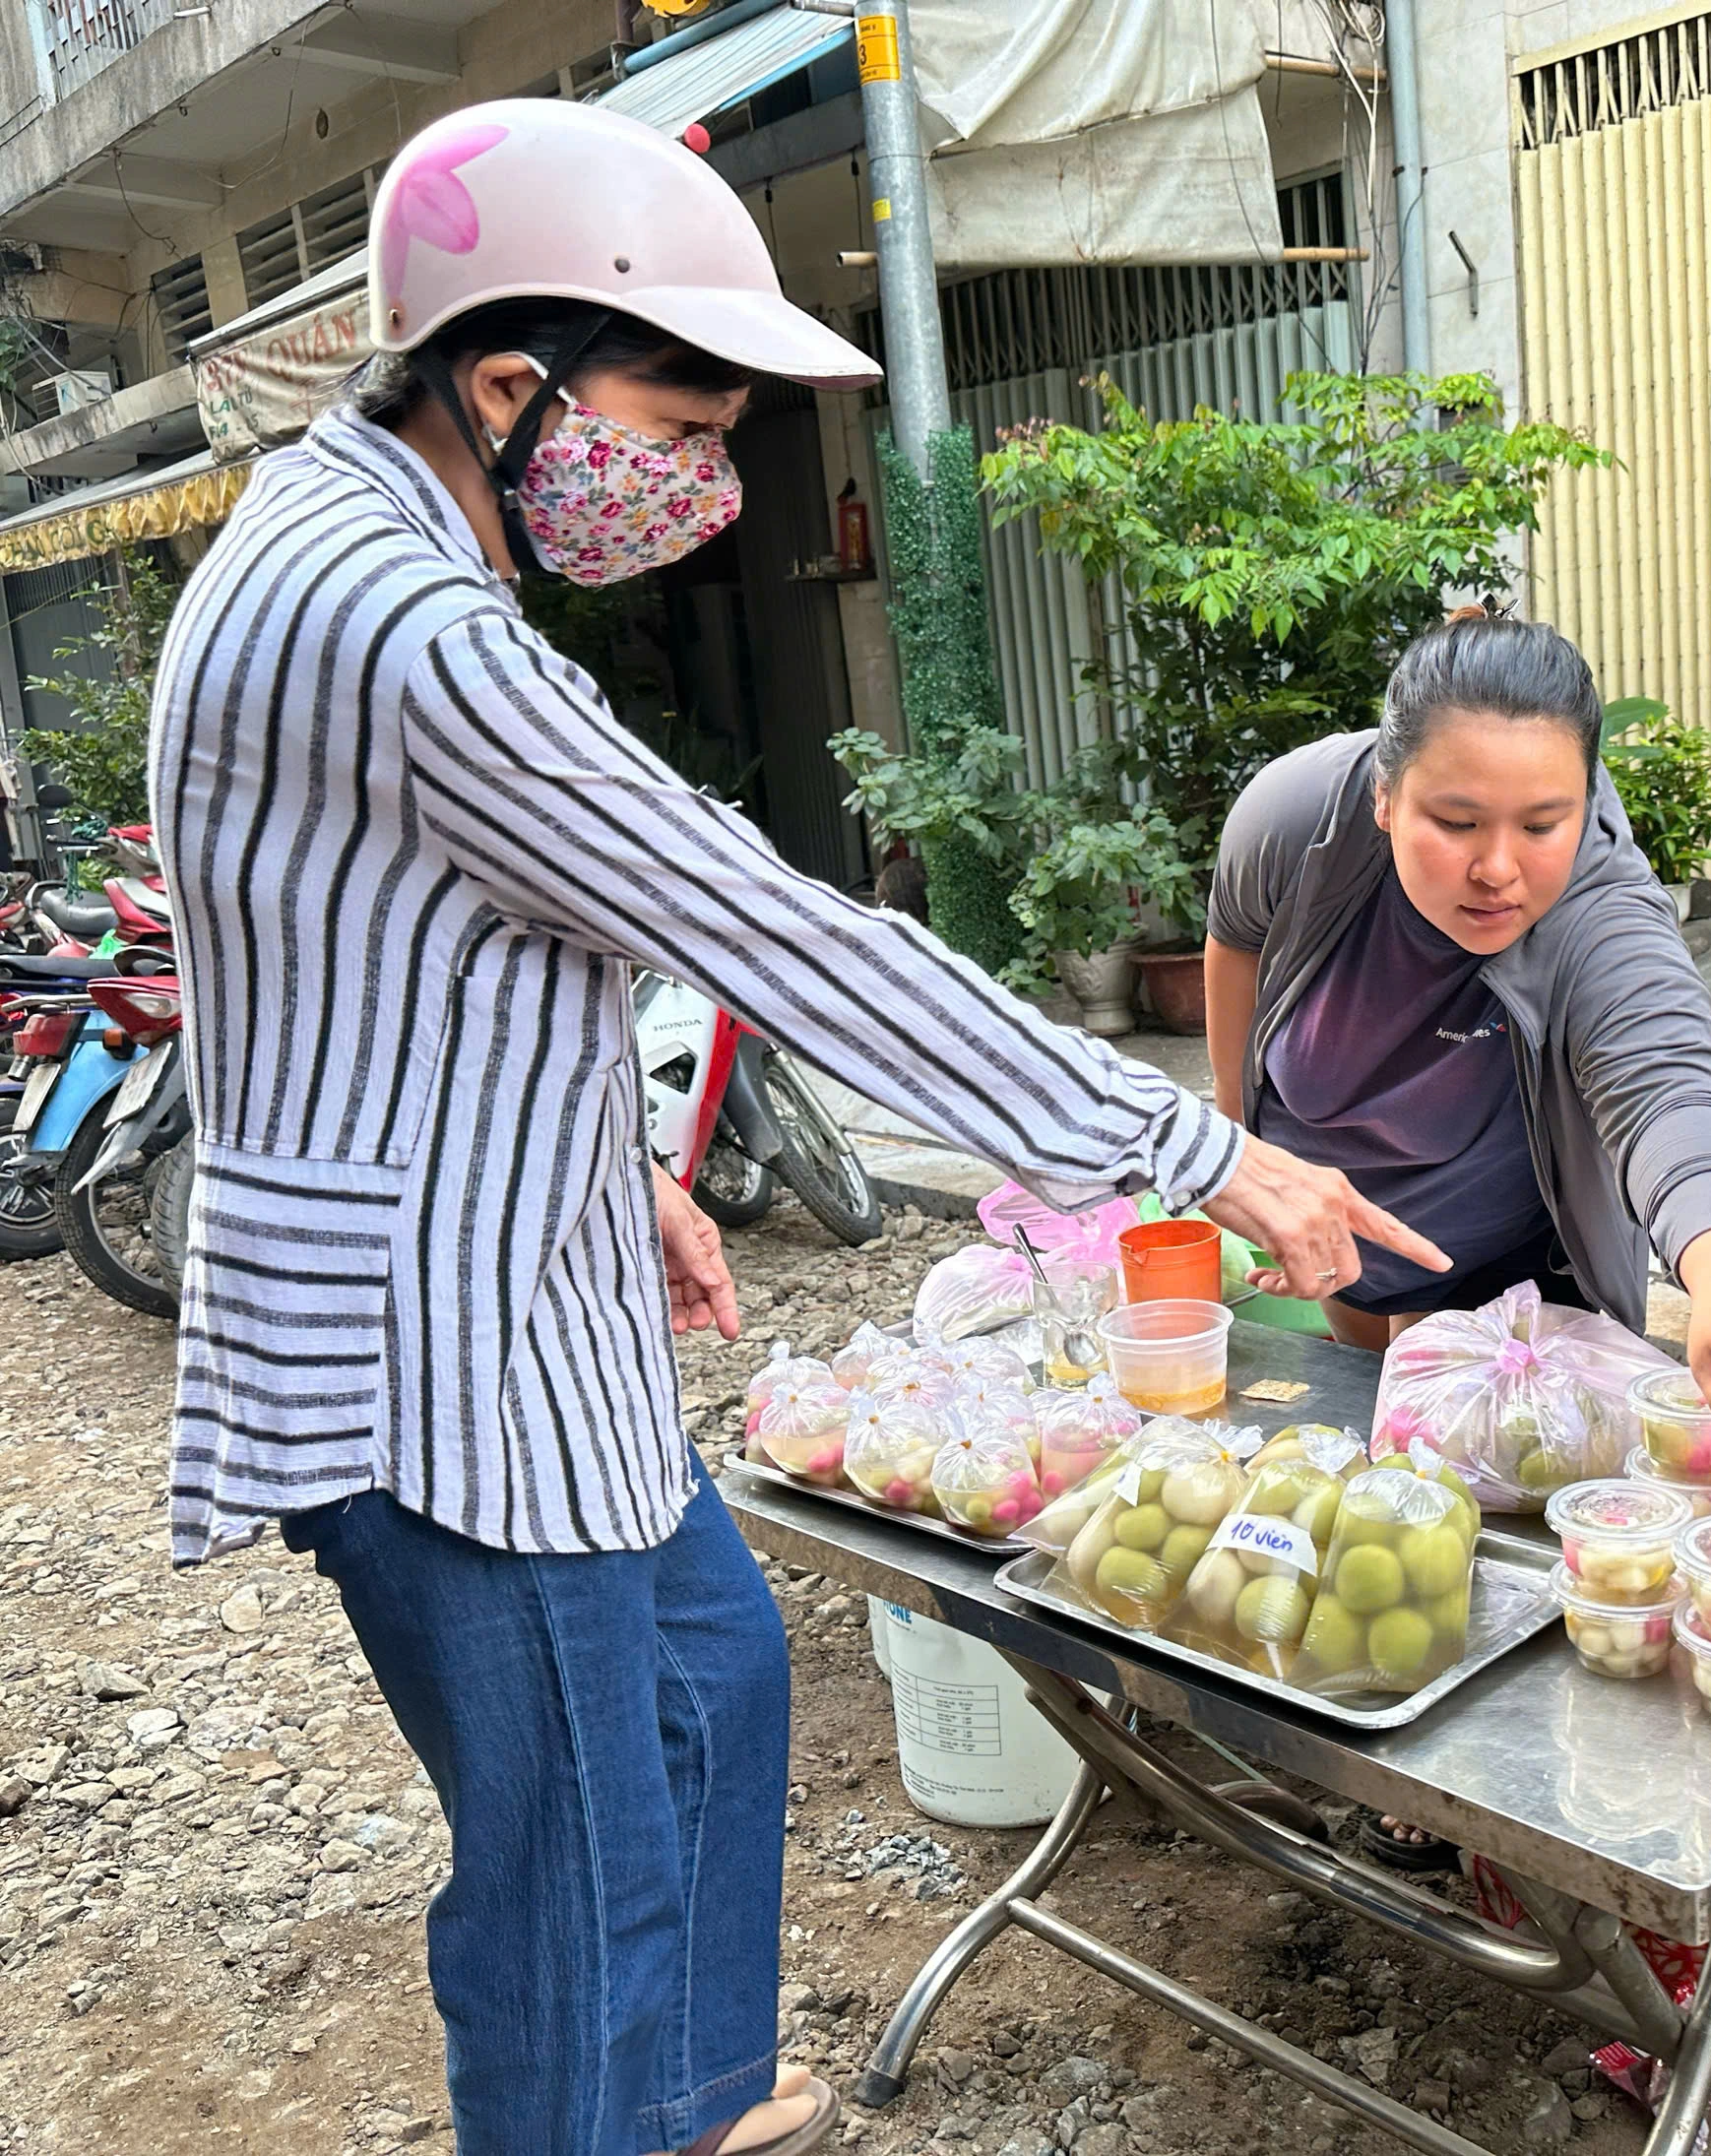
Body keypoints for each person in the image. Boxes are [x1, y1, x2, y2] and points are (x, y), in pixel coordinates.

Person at [151, 99, 1443, 2156]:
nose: (710, 478)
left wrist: (610, 1176)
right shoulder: (414, 633)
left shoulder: (327, 530)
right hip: (444, 1372)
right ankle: (608, 2107)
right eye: (679, 421)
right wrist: (1210, 1151)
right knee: (578, 1865)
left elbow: (389, 957)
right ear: (505, 382)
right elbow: (777, 932)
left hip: (495, 1289)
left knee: (716, 1676)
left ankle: (678, 2102)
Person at [1205, 606, 1711, 1865]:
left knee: (1526, 1517)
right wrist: (1240, 1144)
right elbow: (1235, 949)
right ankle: (1381, 1745)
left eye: (1542, 823)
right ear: (1387, 793)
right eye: (1455, 823)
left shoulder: (1598, 908)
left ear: (1586, 799)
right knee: (1381, 1454)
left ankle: (1510, 1817)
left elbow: (1668, 1083)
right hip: (1344, 1218)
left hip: (1520, 1245)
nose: (1498, 868)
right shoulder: (1292, 816)